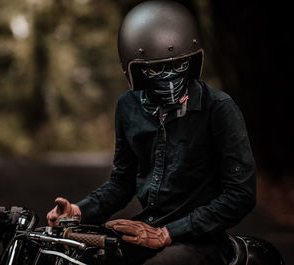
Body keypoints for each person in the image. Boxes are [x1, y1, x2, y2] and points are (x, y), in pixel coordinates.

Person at [47, 1, 256, 264]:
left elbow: (241, 194)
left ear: (192, 62)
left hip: (200, 239)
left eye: (178, 65)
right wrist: (79, 211)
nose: (169, 76)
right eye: (156, 68)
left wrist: (169, 233)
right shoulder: (128, 106)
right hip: (145, 229)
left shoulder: (218, 108)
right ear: (137, 69)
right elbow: (122, 182)